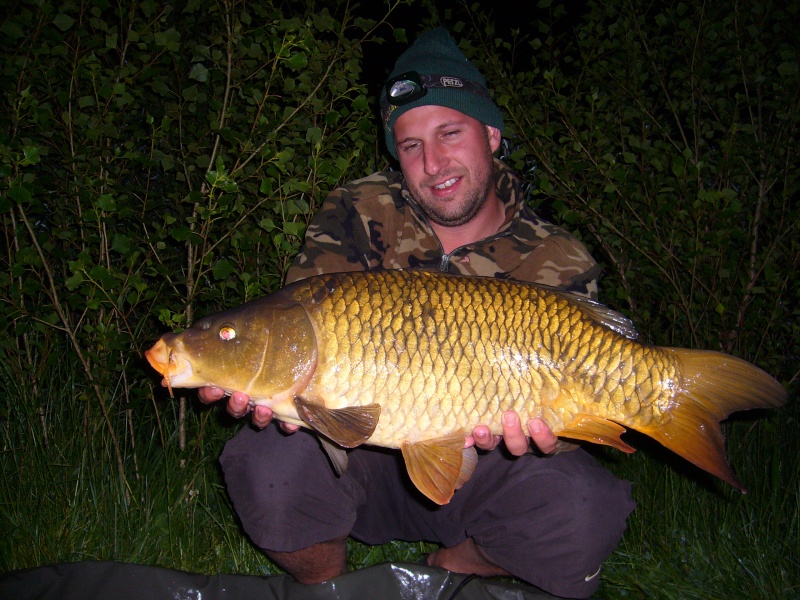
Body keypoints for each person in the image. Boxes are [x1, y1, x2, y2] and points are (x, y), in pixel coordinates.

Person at [199, 27, 635, 599]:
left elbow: (584, 401)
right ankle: (329, 585)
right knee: (265, 461)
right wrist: (259, 381)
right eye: (410, 145)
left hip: (492, 462)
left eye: (450, 132)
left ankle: (460, 560)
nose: (433, 162)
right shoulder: (357, 210)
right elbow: (296, 326)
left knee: (586, 510)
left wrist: (556, 438)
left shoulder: (558, 257)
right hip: (362, 453)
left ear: (492, 134)